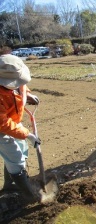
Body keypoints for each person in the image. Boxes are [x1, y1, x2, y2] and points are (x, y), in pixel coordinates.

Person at [0, 54, 41, 203]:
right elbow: (3, 124)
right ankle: (29, 196)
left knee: (20, 150)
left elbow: (21, 85)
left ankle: (10, 185)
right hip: (1, 127)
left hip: (13, 121)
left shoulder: (15, 79)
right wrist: (28, 134)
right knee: (16, 158)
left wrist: (28, 95)